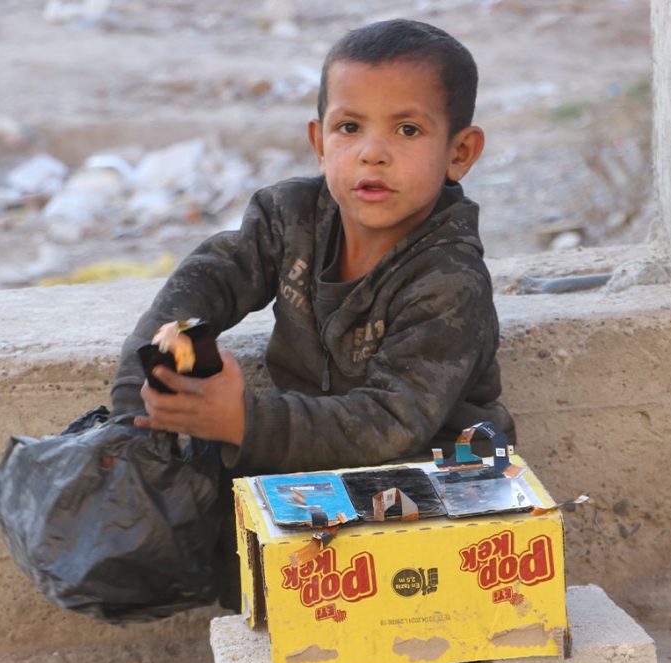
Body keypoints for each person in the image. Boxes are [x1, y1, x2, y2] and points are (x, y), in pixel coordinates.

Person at [111, 18, 513, 475]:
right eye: (349, 127)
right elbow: (205, 284)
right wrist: (135, 400)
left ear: (460, 153)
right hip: (311, 474)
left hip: (441, 479)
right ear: (320, 144)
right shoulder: (290, 218)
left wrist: (244, 421)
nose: (372, 153)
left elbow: (392, 421)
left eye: (407, 130)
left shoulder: (448, 279)